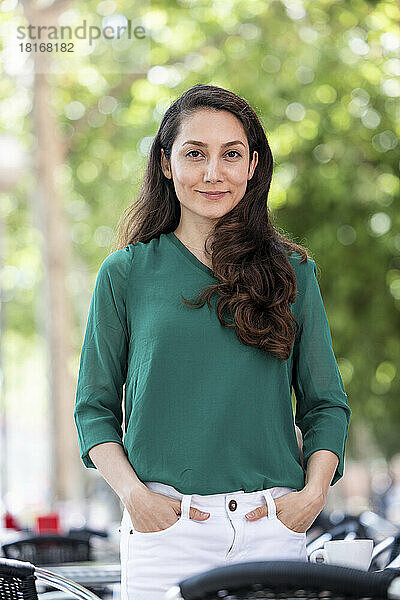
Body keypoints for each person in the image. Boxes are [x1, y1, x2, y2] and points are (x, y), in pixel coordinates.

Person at [73, 84, 351, 599]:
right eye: (194, 154)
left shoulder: (293, 273)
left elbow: (326, 405)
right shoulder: (126, 273)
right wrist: (136, 497)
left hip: (273, 529)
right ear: (164, 163)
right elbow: (93, 410)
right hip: (166, 532)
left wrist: (312, 494)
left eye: (231, 155)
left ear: (252, 167)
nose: (212, 173)